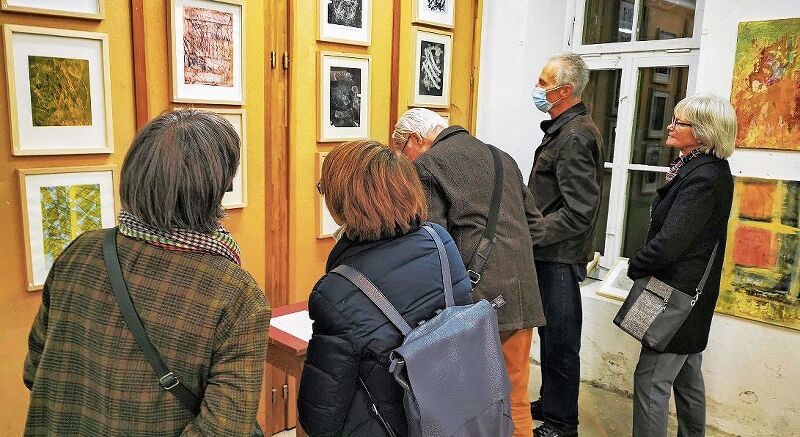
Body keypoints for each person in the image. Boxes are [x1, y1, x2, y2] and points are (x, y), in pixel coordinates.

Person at [23, 109, 270, 436]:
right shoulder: (237, 295)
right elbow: (223, 430)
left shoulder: (79, 251)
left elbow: (34, 371)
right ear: (218, 187)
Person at [297, 140, 473, 436]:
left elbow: (320, 418)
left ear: (343, 201)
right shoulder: (438, 240)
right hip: (452, 409)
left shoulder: (336, 292)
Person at [392, 108, 546, 437]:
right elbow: (537, 227)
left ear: (415, 141)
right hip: (521, 297)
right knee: (516, 399)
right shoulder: (501, 157)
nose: (403, 164)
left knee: (470, 406)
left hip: (473, 305)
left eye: (401, 153)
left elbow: (432, 242)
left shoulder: (427, 165)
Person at [628, 94, 735, 437]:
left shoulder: (704, 177)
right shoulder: (699, 169)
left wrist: (635, 265)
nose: (670, 127)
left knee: (650, 381)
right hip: (688, 296)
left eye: (679, 122)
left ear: (702, 133)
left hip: (675, 295)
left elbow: (670, 242)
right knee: (687, 376)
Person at [527, 52, 604, 437]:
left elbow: (580, 211)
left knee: (560, 344)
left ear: (565, 90)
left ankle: (561, 424)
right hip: (547, 255)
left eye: (544, 84)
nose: (538, 90)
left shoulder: (574, 136)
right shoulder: (562, 129)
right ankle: (552, 402)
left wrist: (534, 232)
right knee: (550, 338)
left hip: (558, 257)